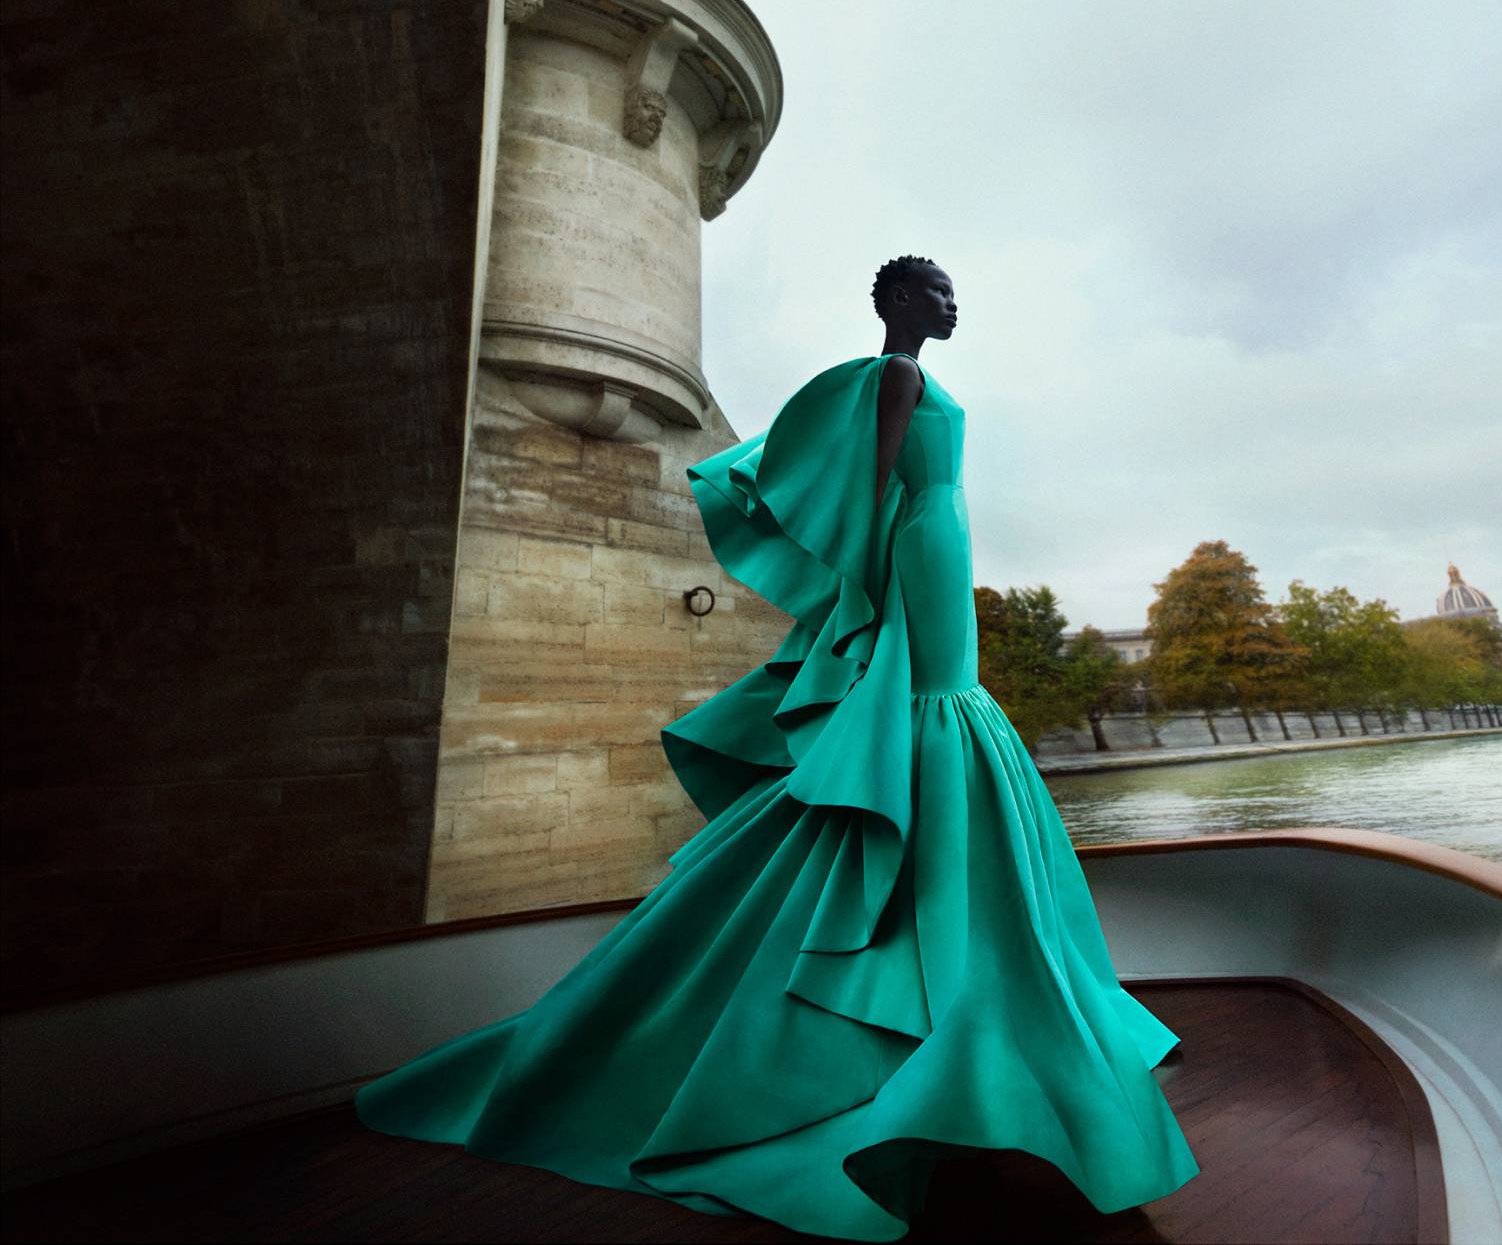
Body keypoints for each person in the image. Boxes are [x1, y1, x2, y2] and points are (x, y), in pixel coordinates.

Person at [354, 255, 1200, 1238]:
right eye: (936, 295)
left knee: (948, 714)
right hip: (917, 552)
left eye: (953, 296)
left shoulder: (912, 380)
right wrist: (866, 607)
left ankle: (960, 978)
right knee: (933, 711)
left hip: (945, 539)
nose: (952, 307)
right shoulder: (891, 378)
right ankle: (906, 998)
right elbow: (859, 492)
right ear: (895, 304)